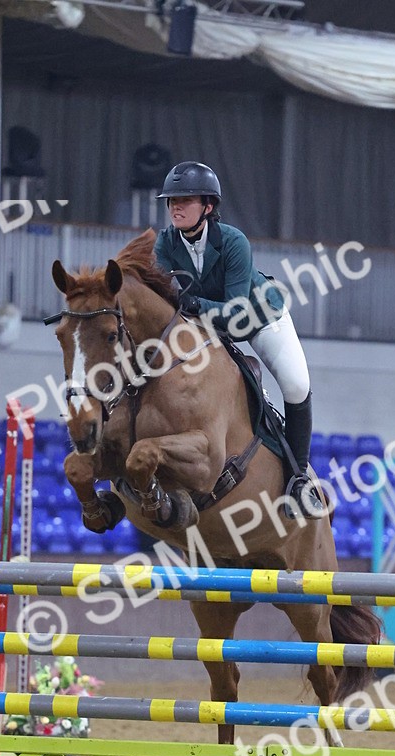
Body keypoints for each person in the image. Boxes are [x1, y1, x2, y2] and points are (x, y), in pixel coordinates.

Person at [154, 160, 321, 517]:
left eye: (185, 200)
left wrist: (195, 304)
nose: (175, 207)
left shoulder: (233, 241)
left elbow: (235, 312)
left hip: (258, 318)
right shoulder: (165, 243)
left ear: (208, 206)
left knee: (296, 385)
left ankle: (299, 480)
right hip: (205, 326)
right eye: (172, 201)